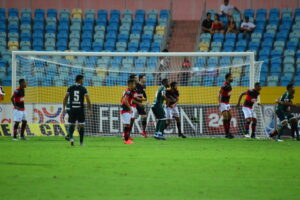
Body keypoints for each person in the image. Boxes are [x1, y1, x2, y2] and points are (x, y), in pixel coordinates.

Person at [62, 74, 92, 146]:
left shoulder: (70, 88)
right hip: (80, 109)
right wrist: (89, 109)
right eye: (82, 79)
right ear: (80, 80)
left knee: (71, 124)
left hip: (72, 109)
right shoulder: (84, 88)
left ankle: (71, 138)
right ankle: (81, 143)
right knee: (81, 125)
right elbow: (88, 99)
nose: (83, 81)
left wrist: (64, 108)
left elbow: (65, 98)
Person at [120, 79, 137, 144]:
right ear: (130, 84)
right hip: (125, 109)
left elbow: (121, 100)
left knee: (127, 125)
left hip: (125, 109)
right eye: (134, 84)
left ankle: (126, 139)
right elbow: (125, 100)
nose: (134, 85)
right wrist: (130, 108)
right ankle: (126, 140)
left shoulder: (128, 91)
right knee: (127, 125)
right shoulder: (128, 92)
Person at [218, 73, 234, 139]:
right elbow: (219, 93)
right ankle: (226, 133)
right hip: (223, 103)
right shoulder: (224, 85)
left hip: (227, 103)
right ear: (227, 78)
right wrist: (219, 103)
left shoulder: (229, 85)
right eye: (231, 77)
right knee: (226, 117)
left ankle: (228, 132)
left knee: (230, 116)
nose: (232, 78)